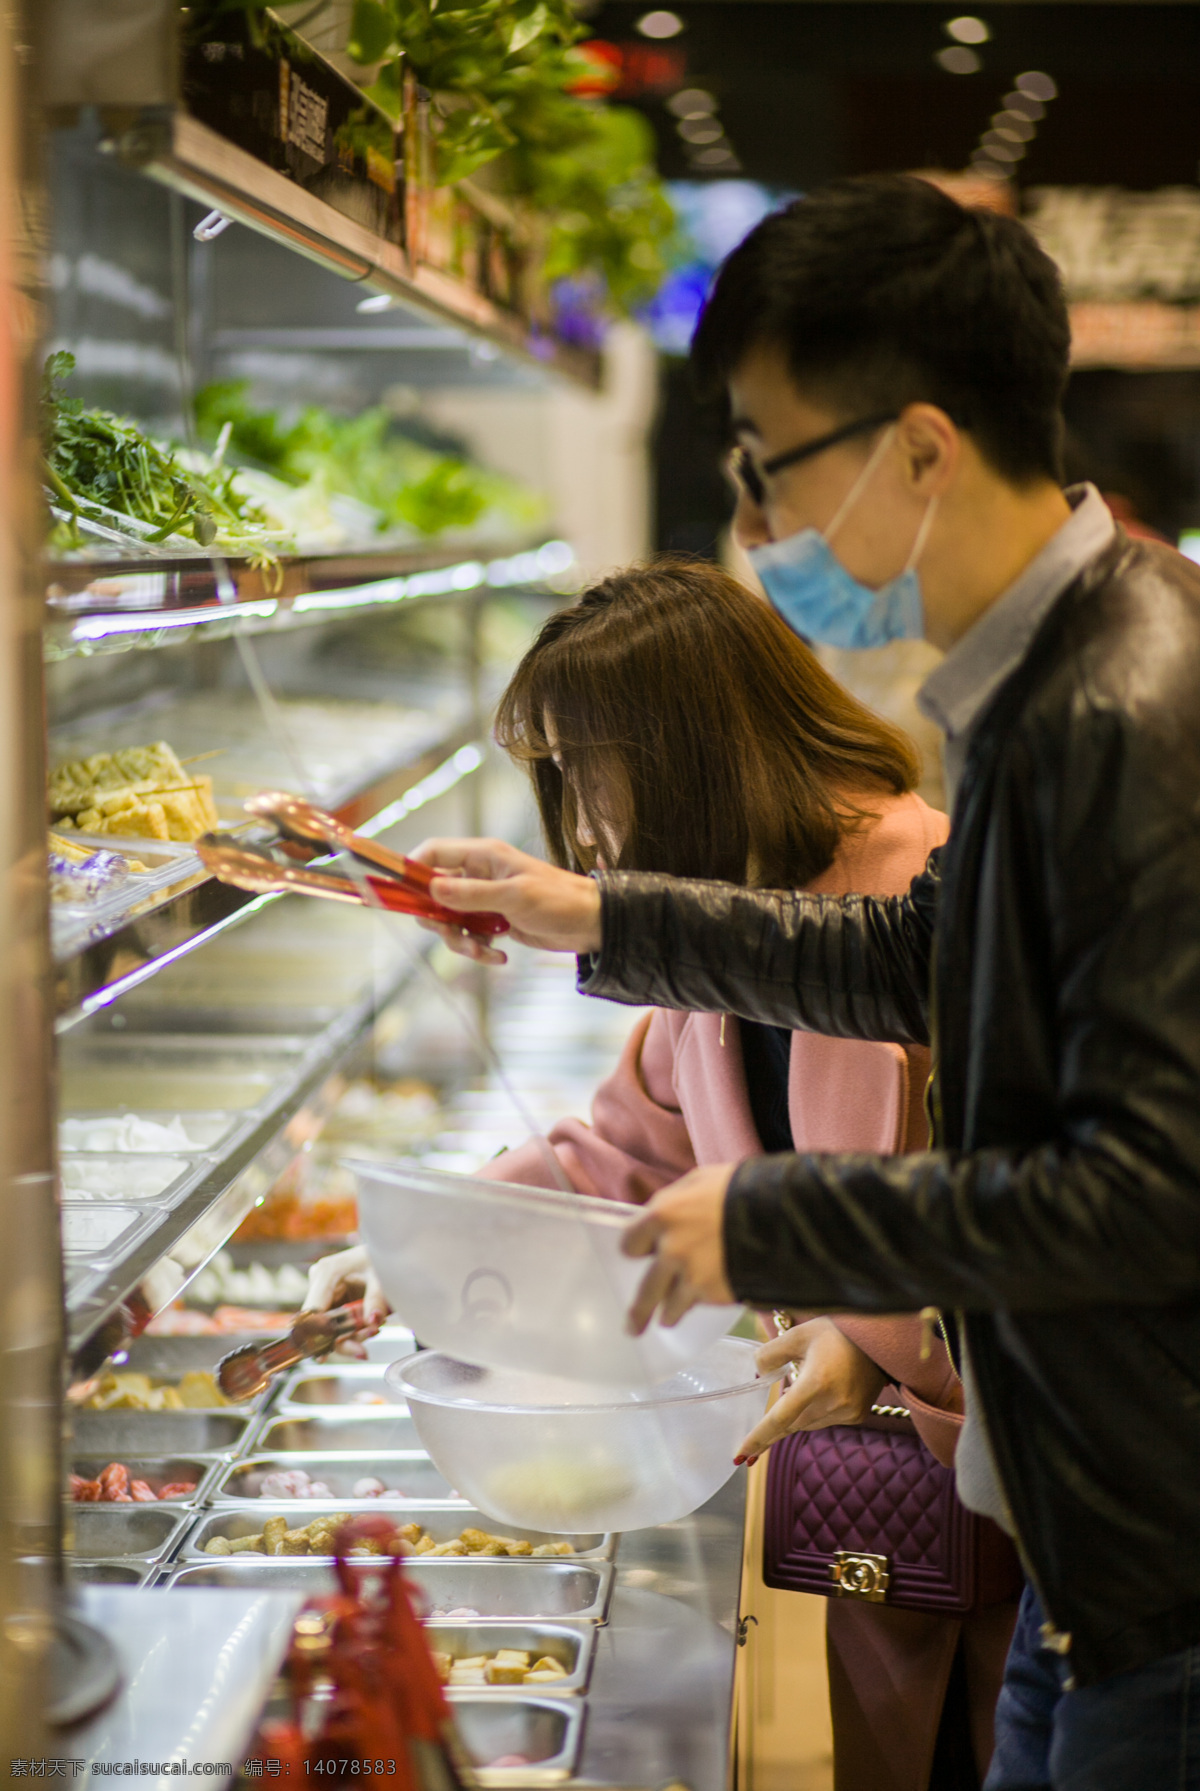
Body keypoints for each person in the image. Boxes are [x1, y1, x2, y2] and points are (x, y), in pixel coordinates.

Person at [410, 174, 1200, 1791]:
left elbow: (1146, 1191)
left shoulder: (1117, 714)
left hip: (1156, 1571)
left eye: (772, 467)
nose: (756, 528)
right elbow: (915, 962)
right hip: (1082, 1544)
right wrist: (595, 912)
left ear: (920, 446)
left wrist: (775, 1227)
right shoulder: (1061, 672)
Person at [308, 558, 1017, 1789]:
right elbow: (625, 1154)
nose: (577, 824)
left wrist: (881, 1347)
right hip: (880, 1509)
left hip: (1029, 1493)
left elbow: (1030, 1219)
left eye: (586, 774)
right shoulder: (727, 914)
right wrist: (420, 1251)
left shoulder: (919, 904)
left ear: (687, 749)